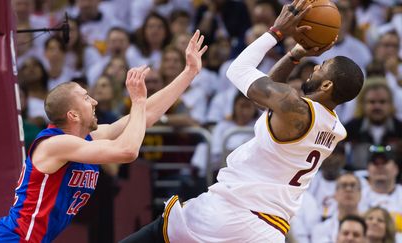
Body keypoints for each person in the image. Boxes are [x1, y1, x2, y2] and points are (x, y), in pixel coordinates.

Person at [121, 0, 364, 242]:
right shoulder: (334, 129)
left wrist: (276, 32)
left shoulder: (293, 106)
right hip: (270, 230)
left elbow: (237, 70)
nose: (315, 68)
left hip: (230, 213)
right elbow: (265, 99)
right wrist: (295, 53)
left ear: (327, 84)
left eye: (322, 67)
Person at [0, 30, 207, 243]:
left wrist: (189, 73)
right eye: (86, 97)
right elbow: (127, 151)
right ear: (72, 114)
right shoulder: (54, 144)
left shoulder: (89, 138)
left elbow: (144, 117)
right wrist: (137, 102)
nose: (95, 102)